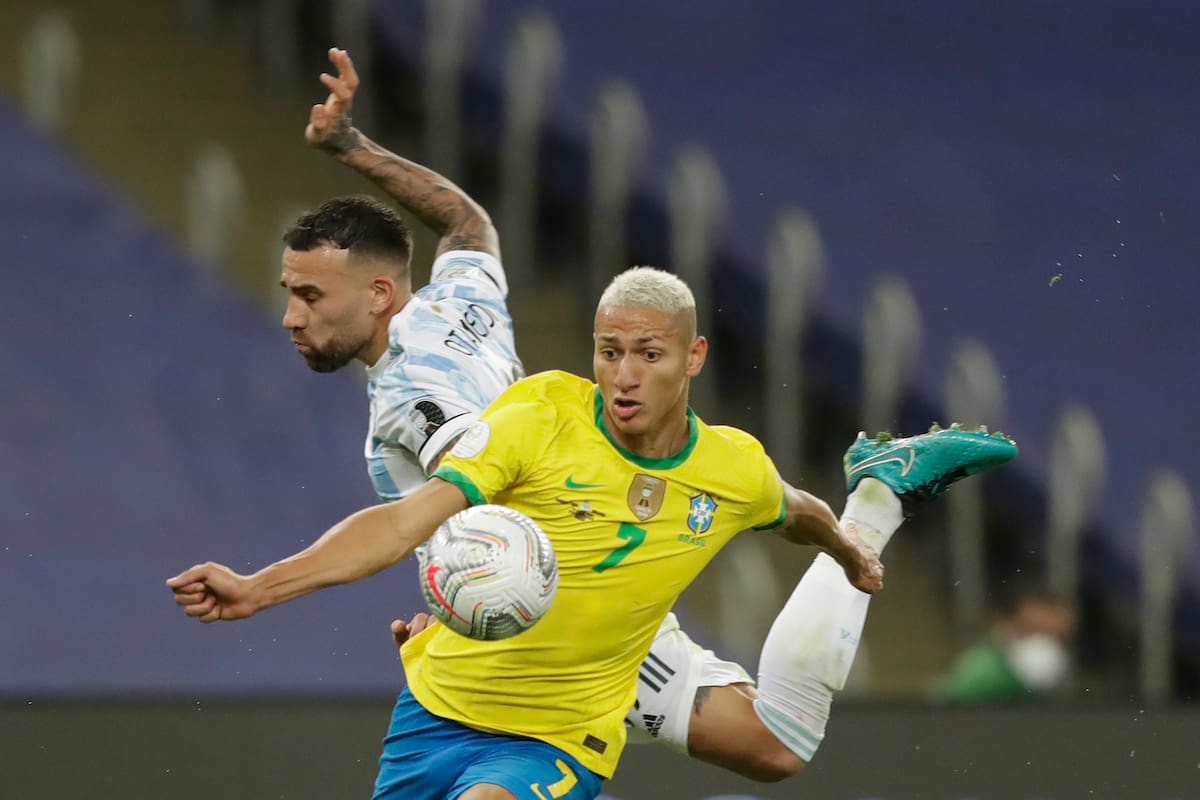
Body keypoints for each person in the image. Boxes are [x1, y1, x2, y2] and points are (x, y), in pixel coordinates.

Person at [167, 49, 1019, 800]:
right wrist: (354, 148)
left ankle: (876, 498)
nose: (290, 316)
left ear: (379, 294)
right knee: (775, 747)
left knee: (770, 743)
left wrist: (466, 583)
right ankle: (879, 494)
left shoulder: (414, 400)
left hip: (574, 595)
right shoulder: (452, 304)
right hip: (550, 599)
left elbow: (453, 504)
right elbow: (468, 222)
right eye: (289, 293)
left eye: (310, 295)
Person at [935, 582, 1076, 704]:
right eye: (1035, 632)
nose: (1046, 647)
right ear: (1005, 625)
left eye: (1058, 638)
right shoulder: (980, 673)